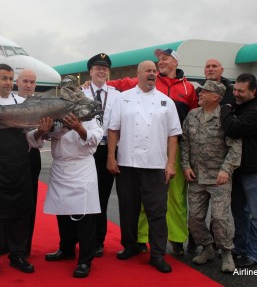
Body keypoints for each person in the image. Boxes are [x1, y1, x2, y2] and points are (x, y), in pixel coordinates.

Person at [108, 49, 197, 256]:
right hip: (127, 163)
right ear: (138, 75)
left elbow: (174, 134)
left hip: (156, 164)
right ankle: (130, 246)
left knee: (157, 211)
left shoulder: (167, 101)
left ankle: (158, 253)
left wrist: (171, 163)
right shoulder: (123, 98)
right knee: (128, 209)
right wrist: (111, 157)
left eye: (154, 70)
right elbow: (113, 130)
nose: (151, 73)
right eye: (147, 70)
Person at [0, 63, 52, 276]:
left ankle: (18, 255)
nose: (8, 82)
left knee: (21, 212)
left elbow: (32, 140)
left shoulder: (23, 104)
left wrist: (41, 132)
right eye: (4, 78)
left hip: (20, 166)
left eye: (10, 78)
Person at [181, 80, 242, 273]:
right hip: (197, 177)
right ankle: (207, 248)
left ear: (215, 97)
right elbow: (185, 142)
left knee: (220, 218)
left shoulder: (226, 117)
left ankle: (226, 253)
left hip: (219, 179)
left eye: (204, 92)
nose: (199, 94)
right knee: (195, 219)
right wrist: (185, 165)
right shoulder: (192, 115)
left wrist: (226, 169)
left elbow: (235, 147)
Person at [220, 73, 257, 268]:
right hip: (240, 169)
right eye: (234, 90)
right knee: (239, 212)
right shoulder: (241, 104)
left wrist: (226, 109)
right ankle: (240, 248)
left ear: (253, 91)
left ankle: (254, 254)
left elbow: (232, 128)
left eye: (241, 91)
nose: (236, 94)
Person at [43, 111, 103, 278]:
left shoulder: (90, 114)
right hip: (59, 167)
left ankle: (85, 259)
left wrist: (78, 127)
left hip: (81, 168)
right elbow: (49, 133)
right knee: (62, 214)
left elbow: (96, 138)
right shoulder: (58, 112)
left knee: (84, 218)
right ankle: (66, 249)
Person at [81, 53, 121, 257]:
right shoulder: (81, 93)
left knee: (102, 197)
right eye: (97, 67)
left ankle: (98, 240)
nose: (101, 70)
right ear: (90, 71)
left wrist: (111, 156)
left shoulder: (116, 95)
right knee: (84, 195)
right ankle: (81, 237)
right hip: (85, 150)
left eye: (104, 68)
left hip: (106, 149)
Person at [16, 68, 41, 256]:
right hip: (10, 157)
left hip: (32, 155)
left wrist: (44, 131)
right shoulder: (8, 103)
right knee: (10, 202)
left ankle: (25, 246)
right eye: (25, 81)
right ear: (18, 82)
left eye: (32, 82)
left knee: (29, 204)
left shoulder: (42, 105)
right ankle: (6, 243)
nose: (28, 85)